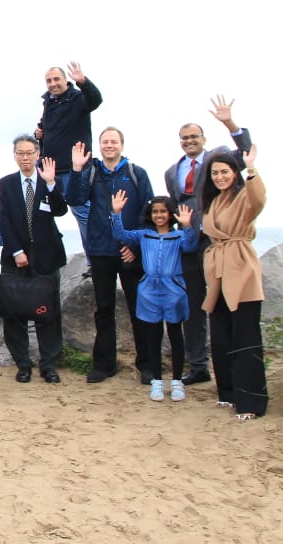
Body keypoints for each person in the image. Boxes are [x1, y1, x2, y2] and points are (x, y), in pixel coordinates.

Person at [162, 96, 252, 386]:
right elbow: (177, 206)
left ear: (203, 138)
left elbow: (246, 153)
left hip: (218, 242)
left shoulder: (219, 159)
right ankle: (198, 365)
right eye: (184, 138)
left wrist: (230, 122)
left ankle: (234, 365)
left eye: (193, 136)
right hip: (188, 244)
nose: (189, 141)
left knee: (225, 303)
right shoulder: (170, 172)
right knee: (193, 306)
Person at [66, 128, 156, 383]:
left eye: (113, 141)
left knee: (139, 308)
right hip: (101, 250)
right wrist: (75, 168)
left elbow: (148, 213)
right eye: (105, 142)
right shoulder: (92, 171)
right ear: (100, 145)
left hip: (130, 253)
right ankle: (104, 364)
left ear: (122, 145)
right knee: (103, 309)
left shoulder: (136, 173)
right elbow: (74, 197)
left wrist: (135, 245)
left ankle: (147, 365)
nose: (109, 145)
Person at [199, 145, 267, 420]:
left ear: (233, 173)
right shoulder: (215, 200)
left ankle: (251, 403)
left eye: (224, 171)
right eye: (215, 173)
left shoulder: (243, 197)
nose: (219, 177)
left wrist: (251, 168)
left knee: (245, 338)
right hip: (217, 273)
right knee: (221, 336)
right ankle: (228, 393)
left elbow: (259, 200)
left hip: (240, 270)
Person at [111, 192, 198, 402]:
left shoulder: (178, 237)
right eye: (155, 212)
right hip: (149, 290)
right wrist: (116, 213)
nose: (159, 215)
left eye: (163, 211)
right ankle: (157, 381)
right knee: (153, 336)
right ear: (150, 214)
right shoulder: (143, 235)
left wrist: (187, 225)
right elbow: (120, 234)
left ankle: (177, 381)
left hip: (173, 289)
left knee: (176, 335)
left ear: (170, 214)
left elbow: (191, 245)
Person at [0, 135, 68, 384]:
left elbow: (60, 210)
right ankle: (22, 364)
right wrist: (16, 251)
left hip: (47, 257)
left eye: (29, 153)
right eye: (20, 153)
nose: (25, 158)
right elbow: (4, 220)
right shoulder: (6, 183)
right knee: (14, 312)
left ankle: (49, 364)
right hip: (15, 257)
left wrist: (50, 184)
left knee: (48, 312)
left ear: (37, 154)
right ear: (14, 155)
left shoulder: (49, 181)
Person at [35, 62, 102, 254]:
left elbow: (95, 100)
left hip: (75, 169)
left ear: (66, 80)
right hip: (49, 169)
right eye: (49, 81)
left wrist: (83, 82)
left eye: (56, 79)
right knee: (28, 203)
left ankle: (94, 259)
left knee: (82, 213)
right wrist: (38, 133)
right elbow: (44, 127)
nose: (53, 84)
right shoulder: (49, 102)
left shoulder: (78, 98)